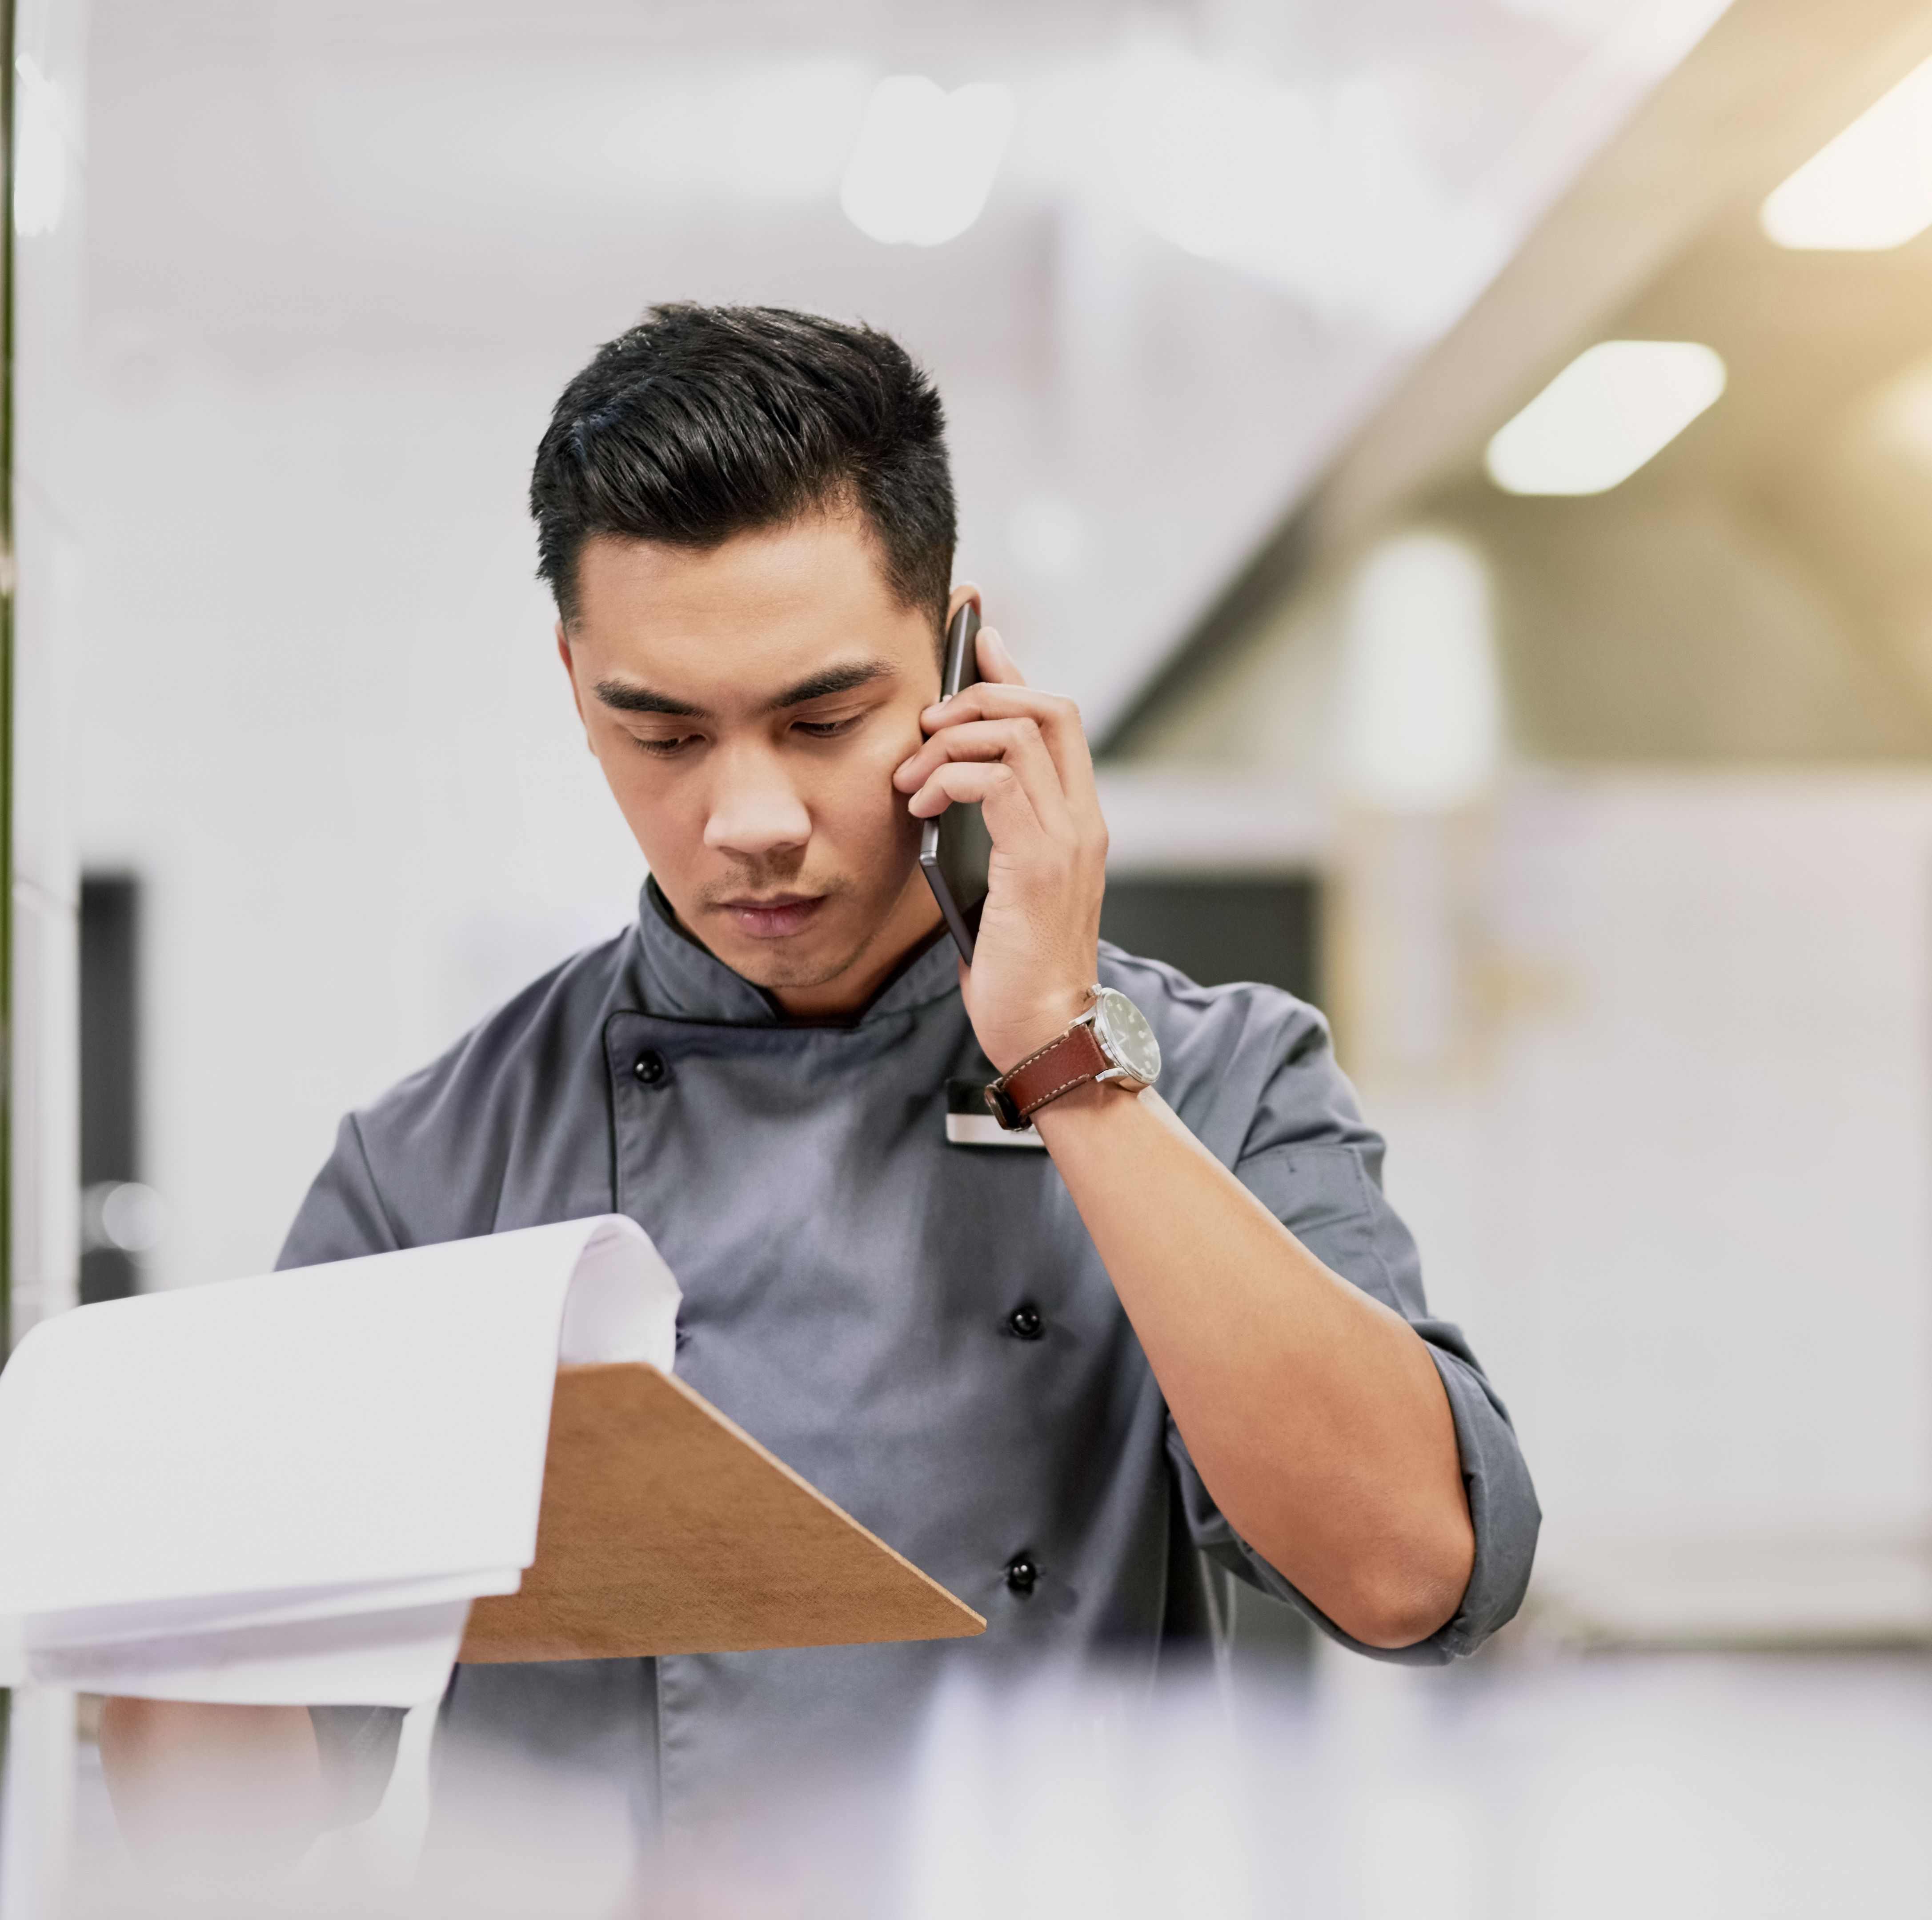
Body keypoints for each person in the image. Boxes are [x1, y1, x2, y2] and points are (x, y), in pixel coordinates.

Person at [101, 303, 1537, 1868]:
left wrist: (1062, 1055)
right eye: (662, 733)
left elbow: (1410, 1576)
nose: (751, 819)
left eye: (823, 720)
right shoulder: (437, 1163)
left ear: (959, 661)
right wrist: (134, 1568)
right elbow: (223, 1815)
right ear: (576, 685)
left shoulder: (1209, 1075)